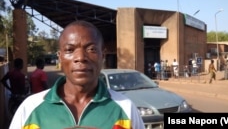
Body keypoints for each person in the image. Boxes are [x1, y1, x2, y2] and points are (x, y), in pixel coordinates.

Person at [9, 20, 145, 129]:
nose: (80, 57)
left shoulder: (126, 107)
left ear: (102, 55)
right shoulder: (30, 108)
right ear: (60, 57)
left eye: (91, 49)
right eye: (70, 49)